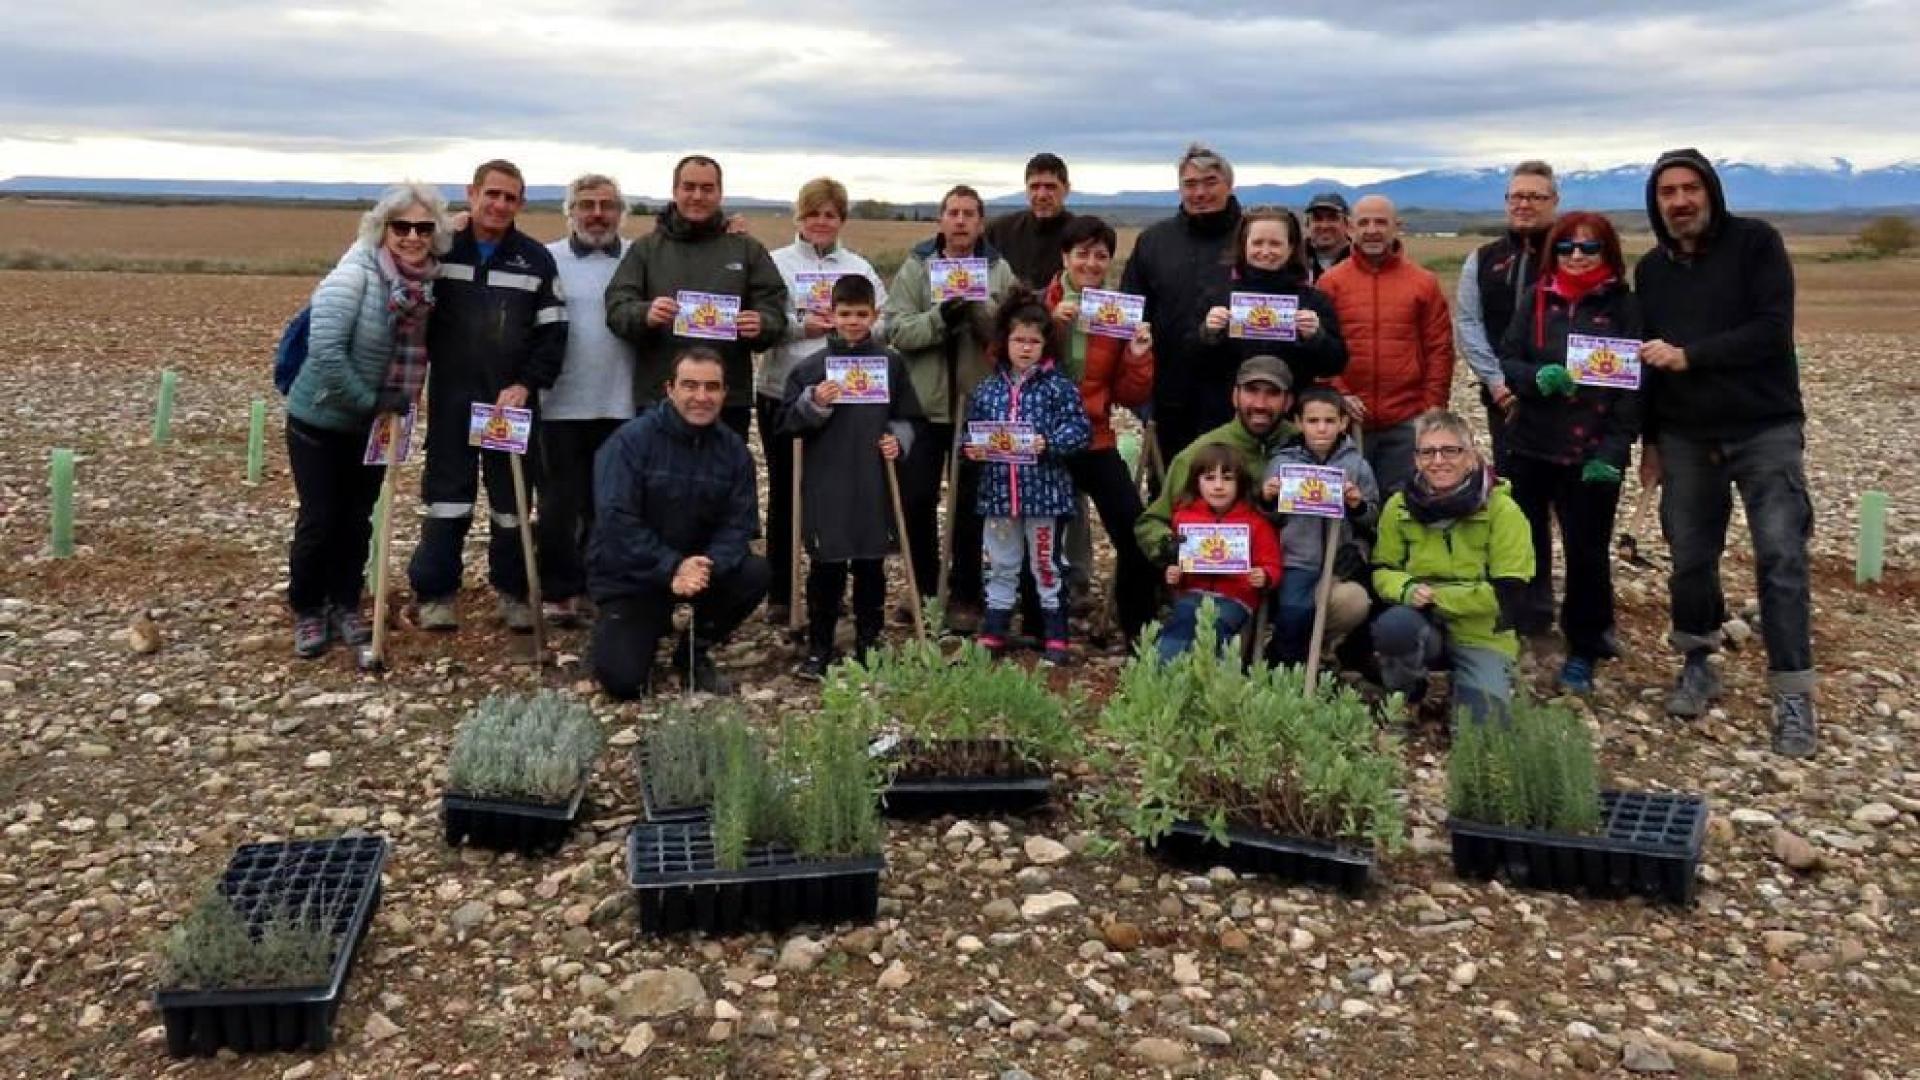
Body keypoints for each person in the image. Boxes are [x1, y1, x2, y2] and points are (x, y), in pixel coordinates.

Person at [1634, 148, 1815, 756]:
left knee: (1780, 556)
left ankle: (1793, 694)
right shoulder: (1652, 272)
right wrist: (1651, 441)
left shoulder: (1756, 244)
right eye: (1667, 193)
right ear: (1656, 204)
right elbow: (1649, 364)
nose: (1680, 201)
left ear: (1710, 191)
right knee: (1689, 555)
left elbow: (1772, 329)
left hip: (1764, 427)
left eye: (1690, 188)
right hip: (1686, 434)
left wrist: (1692, 355)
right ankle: (1696, 660)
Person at [283, 182, 448, 657]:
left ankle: (345, 603)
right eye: (402, 226)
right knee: (320, 518)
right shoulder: (353, 275)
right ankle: (308, 608)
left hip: (378, 424)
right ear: (382, 228)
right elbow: (328, 353)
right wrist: (373, 399)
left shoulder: (426, 284)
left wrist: (385, 407)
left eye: (423, 227)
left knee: (358, 520)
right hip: (321, 417)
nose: (412, 236)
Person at [408, 159, 567, 633]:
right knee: (446, 499)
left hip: (508, 402)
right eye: (491, 194)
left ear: (520, 203)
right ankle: (435, 594)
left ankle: (514, 593)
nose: (499, 204)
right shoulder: (440, 249)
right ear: (472, 193)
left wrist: (527, 384)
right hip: (453, 397)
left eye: (510, 197)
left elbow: (554, 333)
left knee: (511, 503)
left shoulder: (535, 259)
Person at [1498, 211, 1642, 695]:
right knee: (1521, 543)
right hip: (1531, 445)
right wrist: (1532, 381)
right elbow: (1509, 359)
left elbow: (1635, 390)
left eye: (1589, 247)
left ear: (1609, 253)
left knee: (1587, 553)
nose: (1576, 256)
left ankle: (1585, 643)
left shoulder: (1624, 307)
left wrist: (1615, 451)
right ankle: (1518, 626)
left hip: (1592, 451)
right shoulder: (1536, 300)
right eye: (1566, 248)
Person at [589, 347, 771, 698]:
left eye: (712, 387)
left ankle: (693, 650)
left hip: (698, 571)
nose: (701, 397)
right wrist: (671, 566)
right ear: (669, 389)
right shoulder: (630, 442)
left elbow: (739, 524)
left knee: (755, 572)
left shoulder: (733, 450)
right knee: (624, 683)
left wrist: (704, 566)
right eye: (690, 385)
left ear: (724, 393)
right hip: (634, 576)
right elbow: (616, 522)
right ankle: (631, 629)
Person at [883, 184, 1017, 631]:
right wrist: (940, 318)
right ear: (941, 219)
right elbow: (897, 330)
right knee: (917, 499)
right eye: (953, 213)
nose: (960, 221)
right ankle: (923, 590)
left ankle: (965, 593)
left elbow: (1014, 336)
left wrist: (980, 313)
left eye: (969, 214)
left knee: (969, 505)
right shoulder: (917, 267)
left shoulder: (998, 270)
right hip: (924, 405)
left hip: (977, 408)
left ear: (981, 222)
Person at [759, 177, 890, 625]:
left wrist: (854, 328)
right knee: (784, 493)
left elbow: (884, 320)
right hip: (784, 390)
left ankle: (835, 583)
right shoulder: (775, 263)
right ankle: (782, 591)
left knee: (839, 490)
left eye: (830, 214)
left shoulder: (859, 266)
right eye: (813, 213)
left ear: (842, 220)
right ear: (799, 217)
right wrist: (801, 328)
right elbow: (762, 322)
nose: (820, 222)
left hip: (852, 398)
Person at [778, 275, 923, 679]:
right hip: (828, 481)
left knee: (870, 565)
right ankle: (819, 646)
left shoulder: (891, 364)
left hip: (875, 482)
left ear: (874, 315)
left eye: (862, 314)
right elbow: (787, 425)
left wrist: (898, 441)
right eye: (846, 314)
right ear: (832, 315)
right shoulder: (810, 369)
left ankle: (868, 644)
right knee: (826, 565)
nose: (854, 322)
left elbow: (909, 417)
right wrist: (814, 403)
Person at [605, 154, 789, 441]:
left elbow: (775, 307)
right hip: (659, 397)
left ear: (719, 193)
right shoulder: (647, 250)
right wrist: (645, 314)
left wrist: (762, 324)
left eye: (707, 188)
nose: (697, 196)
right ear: (675, 191)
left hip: (727, 399)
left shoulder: (746, 250)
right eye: (689, 187)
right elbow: (617, 307)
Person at [1370, 410, 1534, 721]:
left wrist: (1436, 597)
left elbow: (1509, 592)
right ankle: (1409, 694)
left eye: (1451, 451)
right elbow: (1382, 568)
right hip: (1421, 622)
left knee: (1482, 733)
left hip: (1482, 633)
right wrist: (1404, 589)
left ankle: (1469, 687)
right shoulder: (1399, 505)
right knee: (1393, 627)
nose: (1438, 460)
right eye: (1428, 452)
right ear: (1416, 459)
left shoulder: (1503, 510)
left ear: (1471, 457)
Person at [1043, 214, 1158, 642]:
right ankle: (1043, 629)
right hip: (1045, 440)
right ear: (1064, 257)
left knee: (1136, 532)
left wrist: (1139, 354)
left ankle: (1139, 634)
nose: (1091, 263)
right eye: (1082, 254)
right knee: (1040, 536)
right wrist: (1050, 325)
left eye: (1100, 255)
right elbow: (1007, 361)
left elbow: (1129, 394)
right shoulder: (1038, 303)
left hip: (1095, 436)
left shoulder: (1117, 311)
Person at [963, 289, 1092, 663]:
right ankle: (995, 630)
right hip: (1000, 495)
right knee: (1001, 564)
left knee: (1046, 565)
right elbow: (972, 432)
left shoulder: (1059, 388)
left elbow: (1079, 431)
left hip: (1045, 497)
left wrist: (1046, 442)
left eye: (1034, 341)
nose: (1025, 348)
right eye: (1019, 340)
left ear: (1045, 345)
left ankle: (1056, 634)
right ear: (1004, 342)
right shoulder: (988, 390)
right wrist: (970, 447)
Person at [537, 173, 637, 628]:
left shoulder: (640, 258)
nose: (597, 213)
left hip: (622, 402)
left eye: (607, 205)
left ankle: (601, 586)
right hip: (559, 402)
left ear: (621, 212)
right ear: (570, 211)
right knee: (558, 504)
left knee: (609, 504)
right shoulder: (546, 259)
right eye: (587, 204)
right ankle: (559, 591)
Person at [1319, 194, 1454, 498]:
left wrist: (1432, 408)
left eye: (1381, 222)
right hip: (1348, 421)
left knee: (1403, 506)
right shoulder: (1331, 283)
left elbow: (1439, 348)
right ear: (1350, 228)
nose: (1372, 230)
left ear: (1397, 227)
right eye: (1364, 222)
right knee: (1351, 508)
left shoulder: (1423, 283)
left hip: (1406, 420)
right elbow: (1321, 348)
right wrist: (1339, 394)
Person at [1120, 144, 1245, 462]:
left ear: (1229, 185)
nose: (1200, 192)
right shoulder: (1153, 241)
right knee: (1169, 490)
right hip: (1170, 393)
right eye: (1190, 184)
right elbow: (1130, 316)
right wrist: (1138, 389)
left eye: (1210, 182)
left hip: (1241, 394)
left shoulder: (1253, 239)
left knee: (1236, 489)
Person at [1136, 356, 1297, 568]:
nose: (1260, 404)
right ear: (1234, 396)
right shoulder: (1200, 453)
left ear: (1288, 402)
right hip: (1225, 582)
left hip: (1301, 572)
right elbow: (1152, 522)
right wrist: (1169, 546)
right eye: (1251, 391)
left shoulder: (1309, 444)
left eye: (1273, 393)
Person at [1262, 387, 1379, 665]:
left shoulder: (1357, 466)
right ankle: (1281, 663)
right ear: (1299, 423)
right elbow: (1268, 520)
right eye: (1313, 422)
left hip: (1336, 563)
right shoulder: (1282, 463)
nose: (1322, 429)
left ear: (1343, 423)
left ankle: (1317, 654)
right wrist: (1268, 499)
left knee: (1345, 605)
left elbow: (1373, 518)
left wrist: (1357, 505)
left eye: (1329, 421)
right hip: (1296, 559)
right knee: (1294, 612)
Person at [1457, 161, 1559, 476]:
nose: (1524, 204)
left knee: (1573, 502)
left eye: (1535, 197)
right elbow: (1468, 324)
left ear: (1554, 202)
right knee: (1517, 496)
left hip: (1564, 402)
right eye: (1516, 197)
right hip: (1505, 400)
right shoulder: (1483, 259)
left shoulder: (1572, 254)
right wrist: (1496, 382)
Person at [1196, 205, 1347, 414]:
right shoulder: (1218, 298)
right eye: (1258, 243)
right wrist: (1209, 333)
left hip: (1291, 418)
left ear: (1291, 247)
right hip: (1227, 417)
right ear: (1243, 245)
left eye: (1275, 244)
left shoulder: (1313, 301)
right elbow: (1193, 361)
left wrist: (1316, 337)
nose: (1266, 251)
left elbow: (1335, 364)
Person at [1156, 443, 1282, 663]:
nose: (1218, 486)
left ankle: (1213, 685)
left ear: (1240, 483)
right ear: (1197, 482)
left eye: (1227, 478)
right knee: (1181, 621)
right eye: (1209, 478)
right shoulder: (1184, 518)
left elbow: (1272, 563)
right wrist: (1174, 574)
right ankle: (1163, 676)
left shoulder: (1256, 523)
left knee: (1216, 625)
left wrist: (1264, 575)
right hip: (1193, 592)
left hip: (1235, 597)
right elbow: (1178, 561)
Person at [986, 152, 1077, 288]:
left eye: (1050, 187)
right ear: (1026, 189)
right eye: (1034, 187)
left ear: (1067, 189)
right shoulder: (999, 231)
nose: (1042, 195)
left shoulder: (1082, 234)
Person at [1304, 192, 1352, 282]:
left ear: (1347, 224)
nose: (1324, 226)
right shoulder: (1294, 261)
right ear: (1307, 224)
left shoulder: (1360, 261)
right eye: (1317, 218)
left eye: (1333, 218)